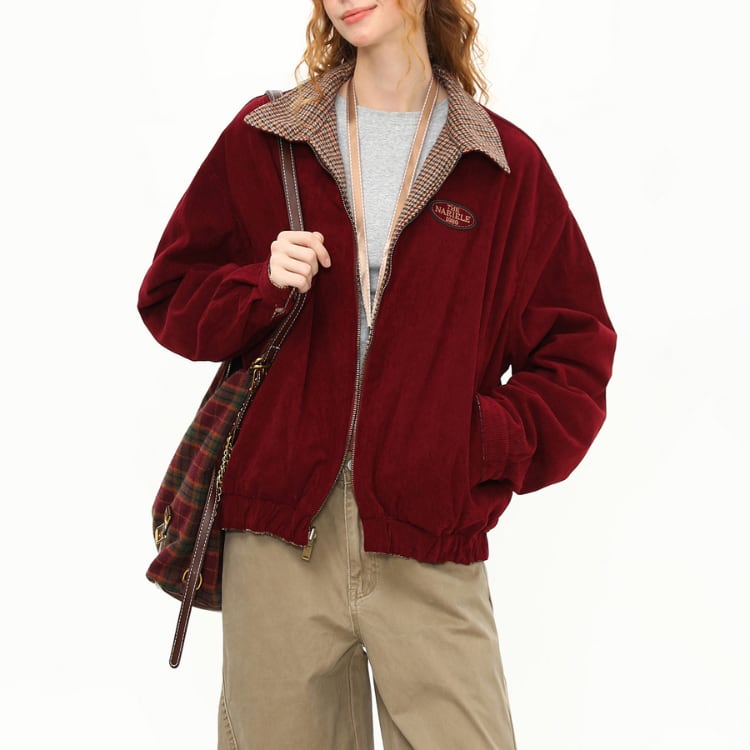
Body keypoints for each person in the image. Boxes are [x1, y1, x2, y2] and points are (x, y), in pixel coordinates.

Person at [138, 0, 616, 746]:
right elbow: (170, 295)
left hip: (428, 534)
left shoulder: (500, 167)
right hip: (279, 536)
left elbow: (576, 353)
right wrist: (259, 283)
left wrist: (473, 443)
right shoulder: (271, 136)